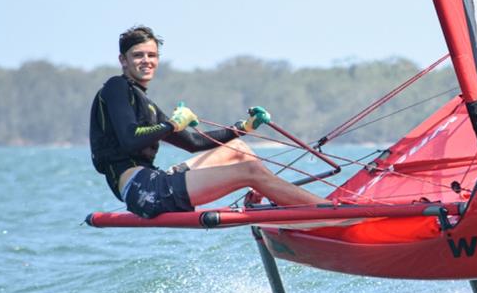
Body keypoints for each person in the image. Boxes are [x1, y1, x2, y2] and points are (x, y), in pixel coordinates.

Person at [89, 25, 326, 218]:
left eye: (152, 55)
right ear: (123, 60)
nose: (146, 61)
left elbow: (195, 142)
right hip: (143, 191)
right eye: (138, 55)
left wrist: (242, 127)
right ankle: (325, 210)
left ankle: (280, 204)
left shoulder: (144, 102)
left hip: (156, 181)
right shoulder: (116, 87)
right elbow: (130, 139)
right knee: (250, 171)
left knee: (238, 149)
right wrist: (172, 124)